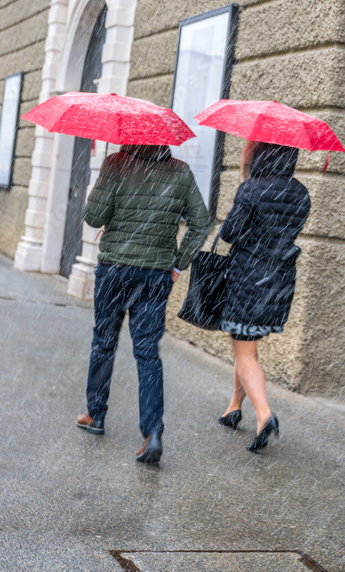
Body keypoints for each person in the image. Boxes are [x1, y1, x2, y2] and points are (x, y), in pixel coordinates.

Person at [76, 144, 211, 464]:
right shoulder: (180, 172)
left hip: (115, 271)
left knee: (104, 342)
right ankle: (152, 433)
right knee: (148, 353)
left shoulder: (115, 163)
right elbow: (201, 222)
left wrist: (101, 183)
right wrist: (178, 263)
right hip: (156, 275)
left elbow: (94, 218)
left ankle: (95, 415)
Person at [216, 141, 310, 452]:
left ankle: (264, 415)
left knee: (245, 354)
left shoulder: (252, 189)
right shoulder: (301, 192)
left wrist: (245, 176)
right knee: (246, 347)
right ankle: (233, 407)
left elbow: (230, 233)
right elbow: (279, 230)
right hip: (280, 278)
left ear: (259, 155)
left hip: (248, 277)